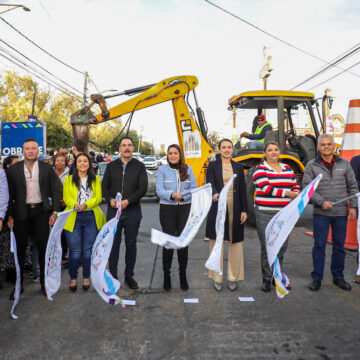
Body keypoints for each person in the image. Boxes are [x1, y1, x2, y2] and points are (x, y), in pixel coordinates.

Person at [303, 134, 358, 292]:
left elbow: (353, 186)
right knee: (319, 245)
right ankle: (317, 278)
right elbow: (307, 188)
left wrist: (353, 207)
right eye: (323, 144)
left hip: (341, 213)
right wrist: (321, 202)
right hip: (321, 213)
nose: (326, 147)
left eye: (329, 144)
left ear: (334, 146)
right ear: (318, 147)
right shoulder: (312, 165)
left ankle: (338, 277)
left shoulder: (344, 164)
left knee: (339, 246)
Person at [7, 138, 60, 298]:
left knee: (44, 250)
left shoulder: (47, 168)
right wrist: (9, 215)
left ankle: (44, 283)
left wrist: (55, 211)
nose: (30, 151)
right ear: (23, 151)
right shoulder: (13, 169)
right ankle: (19, 284)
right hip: (20, 214)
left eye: (33, 148)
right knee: (20, 251)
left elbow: (55, 190)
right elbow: (8, 195)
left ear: (38, 151)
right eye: (27, 148)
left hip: (41, 213)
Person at [252, 141, 300, 292]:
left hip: (284, 214)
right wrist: (287, 193)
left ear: (280, 152)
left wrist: (297, 193)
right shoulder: (259, 169)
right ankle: (266, 279)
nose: (273, 152)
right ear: (264, 153)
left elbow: (295, 184)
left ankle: (276, 277)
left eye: (276, 149)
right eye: (270, 150)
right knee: (268, 247)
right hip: (265, 213)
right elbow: (266, 188)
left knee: (281, 246)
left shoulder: (288, 168)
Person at [102, 137, 147, 289]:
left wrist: (129, 201)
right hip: (114, 213)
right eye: (124, 145)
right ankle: (113, 275)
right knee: (113, 245)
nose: (126, 148)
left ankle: (129, 275)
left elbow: (143, 189)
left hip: (132, 212)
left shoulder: (139, 166)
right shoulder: (111, 166)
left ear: (133, 148)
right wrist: (109, 200)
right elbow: (105, 188)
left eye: (129, 145)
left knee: (131, 244)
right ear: (119, 149)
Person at [205, 139, 248, 291]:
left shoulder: (238, 166)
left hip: (235, 207)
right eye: (224, 147)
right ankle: (216, 277)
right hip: (218, 207)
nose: (227, 150)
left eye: (229, 147)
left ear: (232, 150)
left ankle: (233, 277)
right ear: (219, 150)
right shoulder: (212, 165)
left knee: (235, 243)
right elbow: (209, 182)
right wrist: (215, 193)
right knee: (216, 242)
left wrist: (244, 210)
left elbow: (243, 189)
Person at [156, 144, 197, 291]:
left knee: (182, 242)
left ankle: (182, 275)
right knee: (168, 242)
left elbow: (194, 188)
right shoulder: (162, 170)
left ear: (180, 155)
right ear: (167, 155)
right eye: (170, 153)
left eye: (175, 153)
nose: (173, 155)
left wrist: (183, 196)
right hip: (167, 208)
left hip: (185, 208)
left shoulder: (188, 169)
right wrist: (172, 195)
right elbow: (159, 190)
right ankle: (166, 275)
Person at [63, 153, 106, 291]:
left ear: (89, 164)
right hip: (73, 217)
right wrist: (75, 205)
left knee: (88, 251)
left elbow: (98, 197)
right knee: (75, 251)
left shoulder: (96, 179)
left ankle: (86, 278)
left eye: (85, 161)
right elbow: (67, 198)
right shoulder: (68, 180)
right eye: (79, 161)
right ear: (75, 164)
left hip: (91, 217)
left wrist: (86, 205)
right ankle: (73, 278)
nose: (82, 163)